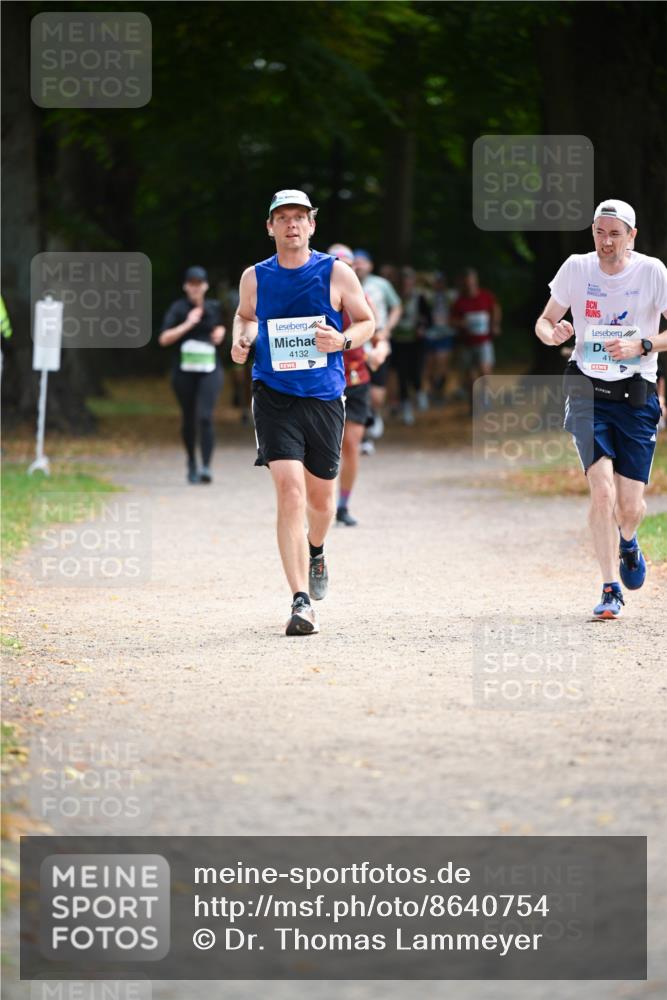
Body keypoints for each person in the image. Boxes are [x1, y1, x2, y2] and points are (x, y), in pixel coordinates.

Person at [231, 190, 374, 636]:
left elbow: (367, 322)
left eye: (299, 217)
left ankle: (316, 550)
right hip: (273, 395)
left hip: (325, 397)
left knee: (321, 501)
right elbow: (245, 316)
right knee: (290, 491)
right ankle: (300, 600)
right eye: (282, 218)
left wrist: (343, 341)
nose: (291, 225)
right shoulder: (255, 277)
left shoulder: (335, 272)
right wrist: (240, 340)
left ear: (312, 225)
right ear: (269, 227)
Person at [535, 198, 667, 620]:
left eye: (614, 233)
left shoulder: (652, 271)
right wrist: (552, 333)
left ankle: (629, 540)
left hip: (637, 390)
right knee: (602, 490)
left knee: (629, 506)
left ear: (632, 235)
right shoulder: (576, 267)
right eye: (599, 232)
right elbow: (543, 321)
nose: (606, 241)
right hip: (587, 385)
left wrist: (643, 344)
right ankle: (611, 588)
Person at [159, 266, 226, 483]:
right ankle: (191, 463)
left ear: (206, 286)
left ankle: (206, 466)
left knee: (205, 416)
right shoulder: (178, 308)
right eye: (192, 283)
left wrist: (221, 334)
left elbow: (226, 329)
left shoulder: (214, 307)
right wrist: (188, 323)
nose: (196, 288)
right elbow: (164, 339)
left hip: (210, 369)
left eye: (199, 283)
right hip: (184, 371)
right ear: (186, 286)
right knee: (189, 417)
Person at [328, 244, 374, 527]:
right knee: (322, 447)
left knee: (351, 445)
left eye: (350, 265)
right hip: (327, 380)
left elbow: (376, 332)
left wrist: (380, 350)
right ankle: (319, 503)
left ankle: (343, 505)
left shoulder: (361, 296)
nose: (346, 269)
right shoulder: (319, 295)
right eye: (340, 264)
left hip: (357, 379)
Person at [353, 250, 402, 440]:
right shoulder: (344, 283)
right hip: (355, 340)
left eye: (362, 262)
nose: (359, 266)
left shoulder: (381, 285)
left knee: (376, 394)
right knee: (358, 387)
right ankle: (363, 433)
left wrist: (388, 329)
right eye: (355, 262)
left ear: (370, 265)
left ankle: (374, 413)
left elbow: (397, 306)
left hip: (377, 337)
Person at [450, 268, 501, 406]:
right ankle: (473, 402)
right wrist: (461, 323)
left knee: (485, 370)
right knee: (470, 375)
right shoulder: (459, 301)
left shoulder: (486, 296)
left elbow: (495, 309)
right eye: (467, 282)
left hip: (484, 341)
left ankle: (486, 399)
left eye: (472, 281)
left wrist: (495, 325)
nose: (469, 284)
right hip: (466, 343)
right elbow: (452, 320)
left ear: (476, 281)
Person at [390, 267, 432, 425]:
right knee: (401, 375)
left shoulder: (420, 297)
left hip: (416, 343)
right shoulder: (393, 297)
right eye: (403, 281)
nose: (406, 284)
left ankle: (420, 390)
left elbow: (429, 317)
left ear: (413, 282)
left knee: (415, 372)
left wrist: (422, 327)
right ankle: (406, 407)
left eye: (409, 281)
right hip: (399, 343)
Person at [423, 271, 458, 405]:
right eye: (436, 281)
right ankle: (433, 391)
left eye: (441, 281)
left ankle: (441, 391)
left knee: (442, 362)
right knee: (430, 364)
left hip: (446, 333)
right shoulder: (428, 295)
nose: (439, 284)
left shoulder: (451, 295)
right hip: (431, 334)